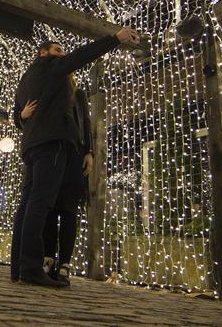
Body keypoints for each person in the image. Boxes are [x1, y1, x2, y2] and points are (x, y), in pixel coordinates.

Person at [10, 29, 138, 287]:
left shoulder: (26, 78)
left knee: (28, 204)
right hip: (53, 143)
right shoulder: (52, 67)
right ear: (43, 52)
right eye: (57, 50)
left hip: (32, 146)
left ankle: (19, 266)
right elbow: (82, 55)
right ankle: (32, 267)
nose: (62, 55)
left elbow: (17, 111)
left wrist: (20, 118)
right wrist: (115, 38)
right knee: (40, 204)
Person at [37, 84, 92, 286]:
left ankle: (65, 263)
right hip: (53, 152)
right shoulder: (49, 89)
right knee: (50, 208)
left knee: (69, 210)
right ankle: (49, 258)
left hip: (74, 153)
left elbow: (86, 122)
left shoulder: (78, 94)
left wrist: (89, 152)